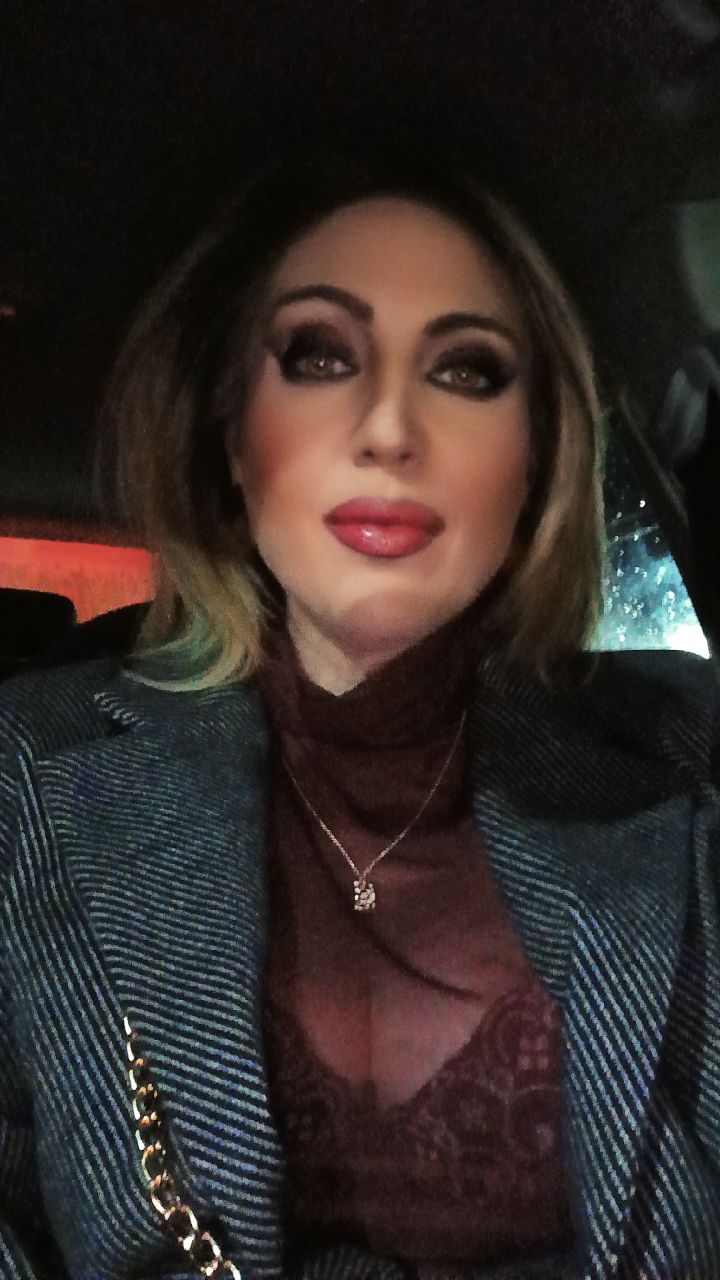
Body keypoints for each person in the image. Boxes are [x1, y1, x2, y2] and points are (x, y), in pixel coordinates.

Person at [0, 144, 718, 1280]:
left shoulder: (685, 759)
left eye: (468, 369)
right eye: (321, 355)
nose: (389, 429)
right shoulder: (31, 775)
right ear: (232, 437)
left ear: (535, 458)